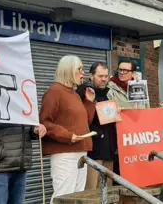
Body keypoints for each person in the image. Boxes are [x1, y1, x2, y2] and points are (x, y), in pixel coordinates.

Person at [39, 55, 96, 203]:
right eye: (80, 69)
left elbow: (85, 122)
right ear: (69, 70)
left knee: (76, 196)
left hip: (80, 150)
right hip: (64, 152)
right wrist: (68, 136)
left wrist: (89, 103)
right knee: (64, 195)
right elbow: (44, 122)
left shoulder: (75, 95)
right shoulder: (54, 92)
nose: (83, 73)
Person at [75, 62, 118, 190]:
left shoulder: (108, 94)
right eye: (100, 76)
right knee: (91, 191)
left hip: (109, 151)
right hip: (93, 151)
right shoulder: (83, 92)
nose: (104, 79)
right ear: (91, 76)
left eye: (106, 76)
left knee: (107, 191)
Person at [107, 59, 150, 180]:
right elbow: (107, 113)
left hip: (138, 142)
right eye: (120, 69)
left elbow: (147, 111)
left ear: (133, 73)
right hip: (119, 141)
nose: (122, 72)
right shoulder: (110, 89)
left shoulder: (140, 88)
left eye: (126, 70)